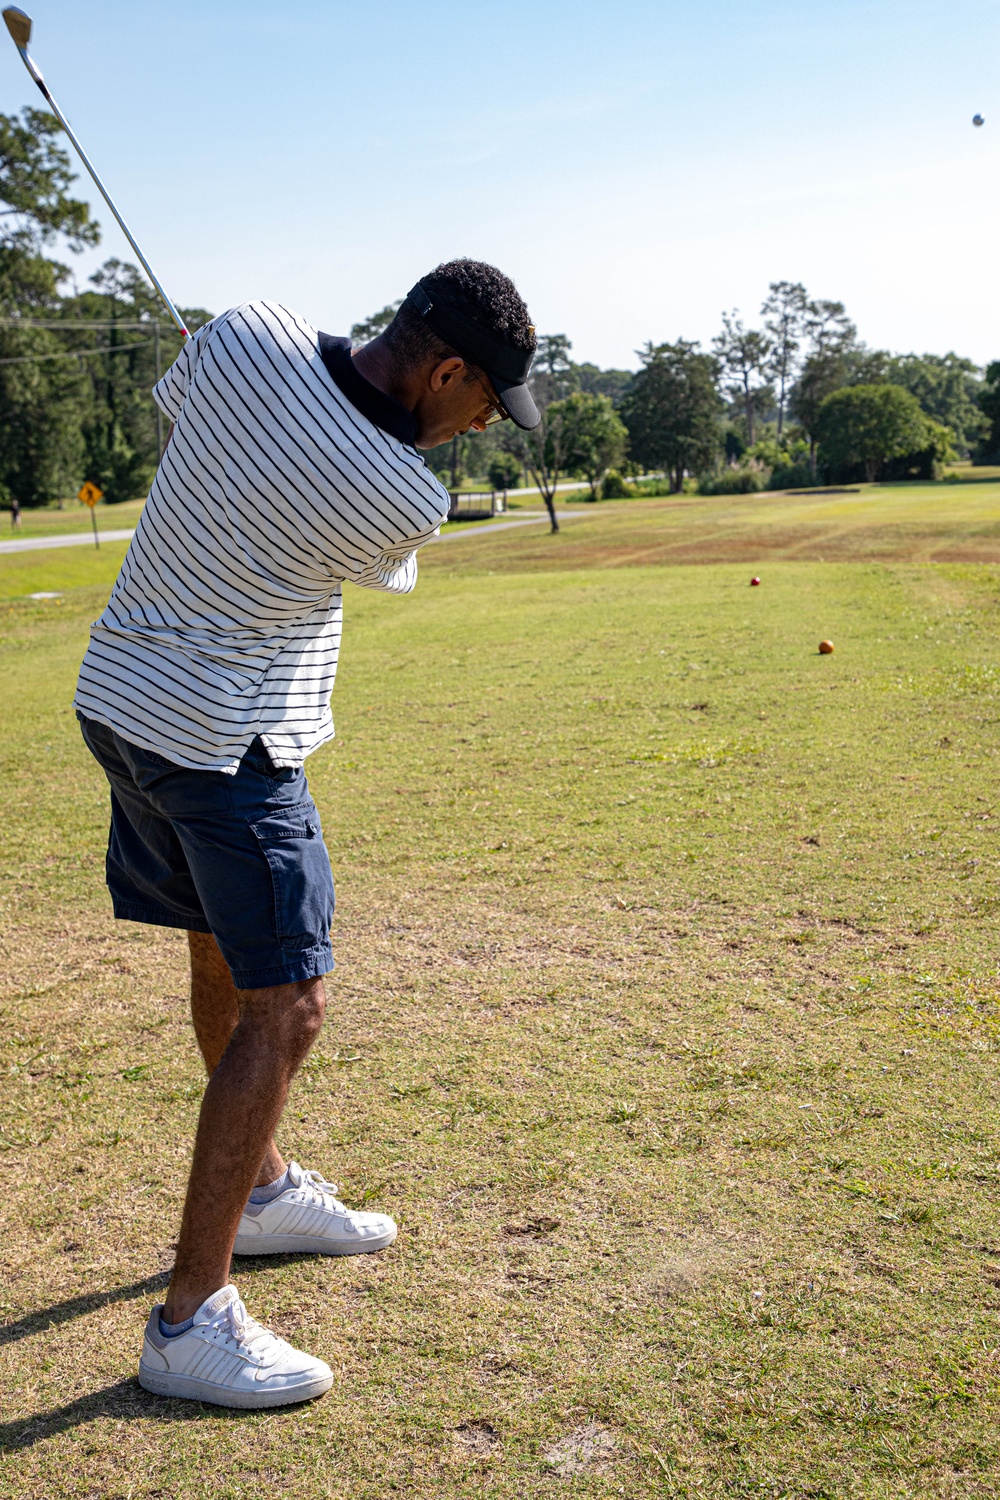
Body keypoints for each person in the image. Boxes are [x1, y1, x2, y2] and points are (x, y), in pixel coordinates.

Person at [74, 259, 539, 1409]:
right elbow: (363, 544)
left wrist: (258, 384)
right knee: (289, 1006)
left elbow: (197, 407)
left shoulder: (247, 328)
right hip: (227, 741)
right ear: (445, 371)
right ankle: (191, 1319)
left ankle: (269, 1191)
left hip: (122, 702)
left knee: (221, 958)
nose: (477, 428)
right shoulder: (400, 495)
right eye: (482, 405)